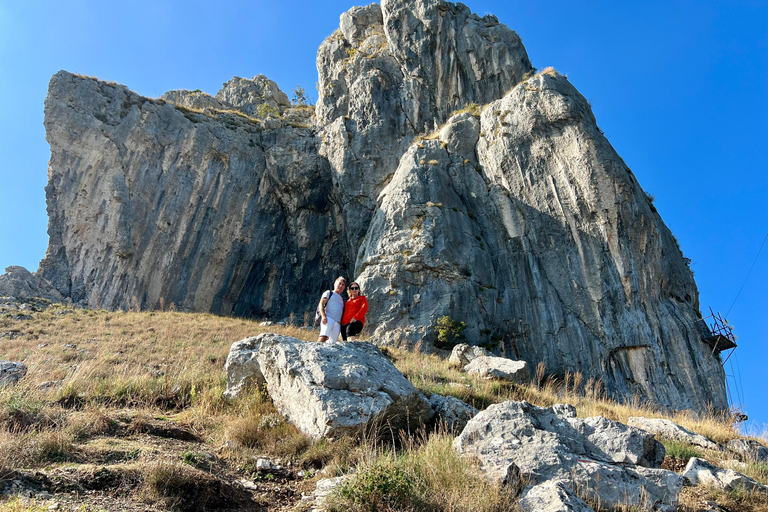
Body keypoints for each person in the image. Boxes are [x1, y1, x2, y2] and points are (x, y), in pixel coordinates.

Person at [317, 277, 346, 343]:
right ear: (335, 284)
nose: (341, 286)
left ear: (344, 287)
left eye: (343, 285)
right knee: (323, 336)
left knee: (332, 343)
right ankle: (315, 351)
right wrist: (324, 316)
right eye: (339, 283)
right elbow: (321, 304)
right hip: (328, 318)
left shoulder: (342, 300)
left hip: (337, 323)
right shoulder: (329, 293)